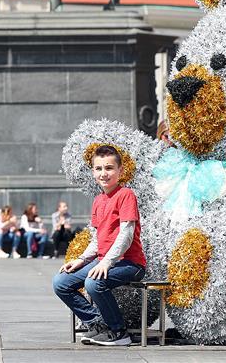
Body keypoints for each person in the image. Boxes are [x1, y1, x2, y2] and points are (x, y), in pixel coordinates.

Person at [53, 145, 146, 347]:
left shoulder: (126, 195)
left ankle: (119, 332)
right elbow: (97, 238)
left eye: (109, 168)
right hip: (104, 261)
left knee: (93, 283)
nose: (104, 173)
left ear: (120, 170)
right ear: (93, 172)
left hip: (130, 263)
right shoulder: (98, 200)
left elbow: (126, 234)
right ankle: (99, 325)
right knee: (61, 282)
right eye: (99, 168)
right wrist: (81, 260)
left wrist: (106, 263)